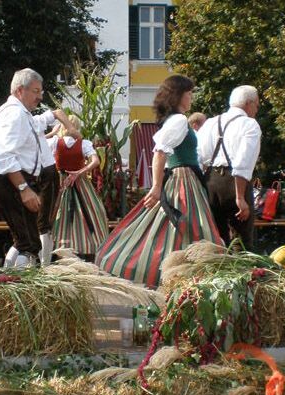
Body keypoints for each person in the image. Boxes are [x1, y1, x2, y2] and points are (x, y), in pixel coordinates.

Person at [95, 75, 222, 288]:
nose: (191, 97)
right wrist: (155, 186)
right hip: (183, 180)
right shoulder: (179, 120)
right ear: (178, 95)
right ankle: (186, 274)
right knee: (190, 226)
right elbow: (160, 152)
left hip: (186, 178)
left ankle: (182, 274)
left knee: (177, 227)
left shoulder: (176, 119)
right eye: (189, 93)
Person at [0, 68, 79, 267]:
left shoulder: (20, 114)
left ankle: (13, 281)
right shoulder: (14, 115)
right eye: (36, 91)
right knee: (28, 241)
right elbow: (3, 154)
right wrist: (24, 189)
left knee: (26, 241)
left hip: (9, 181)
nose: (40, 96)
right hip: (10, 182)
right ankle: (20, 287)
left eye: (41, 92)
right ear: (20, 91)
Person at [196, 85, 261, 250]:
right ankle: (243, 275)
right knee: (241, 242)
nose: (256, 110)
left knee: (216, 240)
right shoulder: (249, 125)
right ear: (248, 103)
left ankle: (215, 273)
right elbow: (242, 163)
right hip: (234, 183)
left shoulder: (210, 123)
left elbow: (199, 157)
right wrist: (240, 197)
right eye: (257, 105)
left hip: (211, 182)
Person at [46, 114, 108, 257]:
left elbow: (36, 142)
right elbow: (96, 161)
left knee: (58, 214)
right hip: (80, 181)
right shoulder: (84, 143)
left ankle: (57, 247)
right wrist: (80, 172)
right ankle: (86, 246)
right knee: (90, 212)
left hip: (61, 180)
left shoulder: (55, 142)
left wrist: (52, 133)